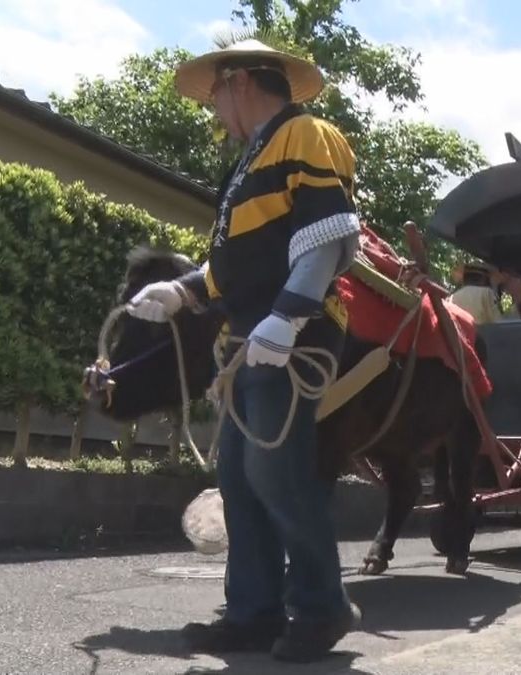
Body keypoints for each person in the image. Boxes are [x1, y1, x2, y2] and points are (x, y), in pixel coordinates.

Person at [125, 39, 361, 663]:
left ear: (240, 82)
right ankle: (253, 613)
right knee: (238, 477)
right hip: (246, 339)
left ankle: (321, 605)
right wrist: (178, 291)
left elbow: (328, 240)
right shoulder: (248, 162)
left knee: (275, 472)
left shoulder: (307, 132)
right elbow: (236, 266)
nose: (212, 110)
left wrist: (287, 317)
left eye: (214, 95)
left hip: (293, 334)